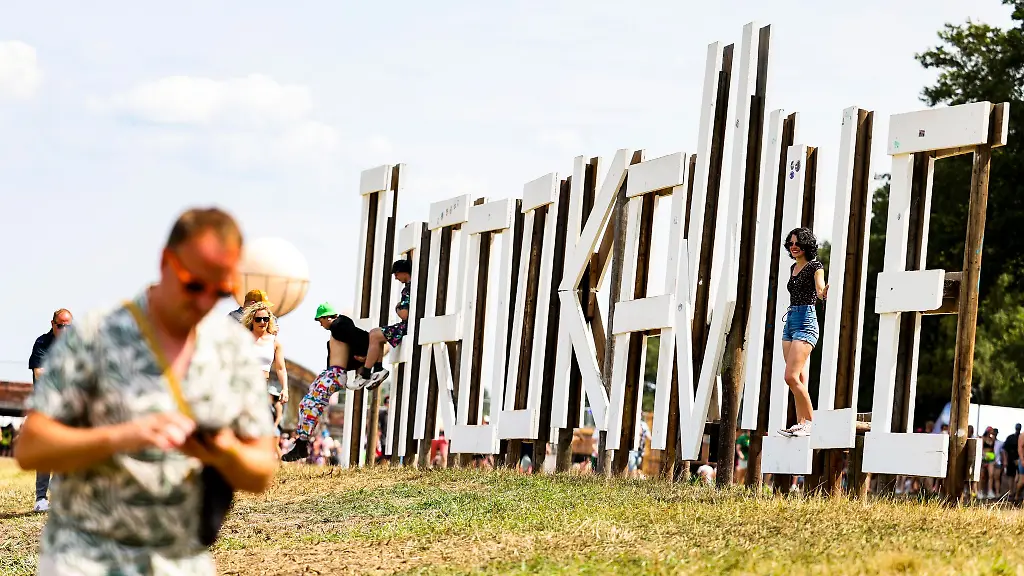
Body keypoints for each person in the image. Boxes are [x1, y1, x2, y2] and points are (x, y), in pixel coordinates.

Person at [14, 207, 279, 575]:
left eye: (219, 292)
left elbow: (262, 470)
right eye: (194, 285)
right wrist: (123, 436)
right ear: (166, 261)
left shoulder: (232, 349)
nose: (205, 302)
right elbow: (32, 447)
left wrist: (222, 449)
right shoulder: (97, 334)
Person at [282, 303, 371, 462]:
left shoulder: (339, 325)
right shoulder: (337, 329)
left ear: (327, 317)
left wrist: (364, 355)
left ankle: (302, 444)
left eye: (320, 320)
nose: (320, 324)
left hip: (335, 373)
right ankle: (301, 442)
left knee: (311, 404)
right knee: (305, 404)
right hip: (331, 372)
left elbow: (358, 335)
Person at [777, 228, 828, 438]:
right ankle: (801, 423)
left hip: (806, 322)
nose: (793, 246)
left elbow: (819, 289)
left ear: (806, 245)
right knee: (798, 377)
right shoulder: (793, 267)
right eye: (791, 243)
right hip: (790, 322)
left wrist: (824, 293)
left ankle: (812, 423)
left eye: (797, 243)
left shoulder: (815, 266)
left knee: (790, 377)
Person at [27, 308, 73, 513]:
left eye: (68, 326)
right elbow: (39, 374)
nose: (65, 330)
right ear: (53, 324)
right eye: (61, 326)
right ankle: (41, 498)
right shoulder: (42, 343)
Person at [352, 260, 413, 390]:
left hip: (407, 326)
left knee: (374, 335)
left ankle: (366, 373)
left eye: (396, 274)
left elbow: (404, 314)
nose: (395, 277)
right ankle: (378, 369)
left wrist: (397, 309)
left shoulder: (408, 289)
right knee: (375, 333)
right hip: (409, 325)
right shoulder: (412, 286)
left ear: (403, 272)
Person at [242, 301, 289, 445]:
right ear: (252, 320)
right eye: (258, 319)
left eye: (265, 319)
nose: (262, 322)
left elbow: (281, 368)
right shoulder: (244, 338)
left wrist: (285, 388)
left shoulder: (274, 342)